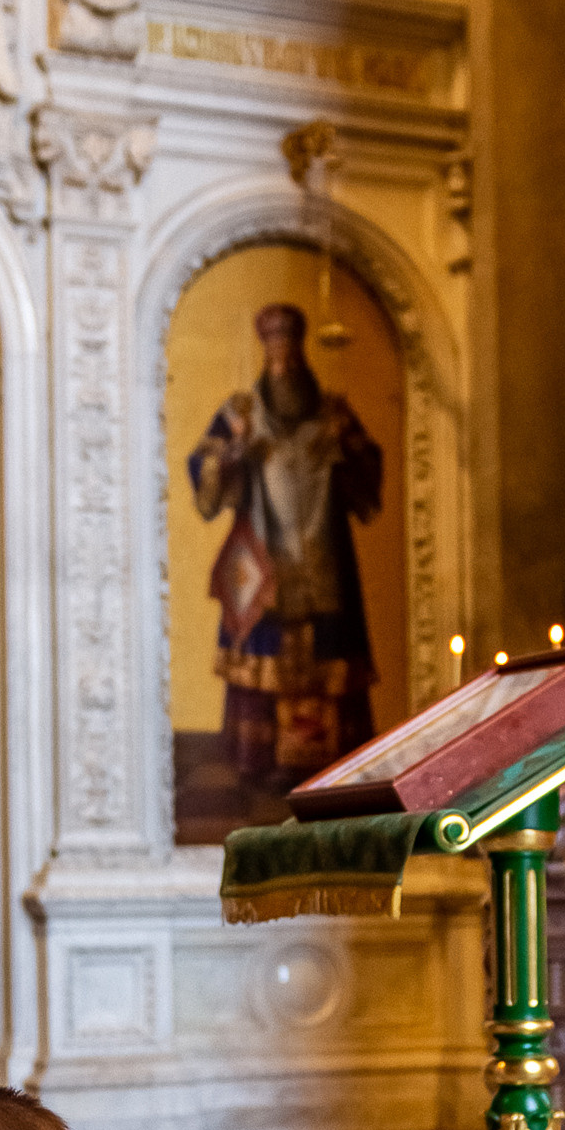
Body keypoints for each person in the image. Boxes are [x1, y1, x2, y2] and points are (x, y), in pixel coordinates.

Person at [187, 300, 381, 788]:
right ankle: (261, 761)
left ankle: (333, 765)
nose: (286, 366)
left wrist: (347, 451)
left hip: (324, 556)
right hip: (264, 556)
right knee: (265, 650)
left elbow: (369, 475)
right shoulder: (242, 414)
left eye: (292, 357)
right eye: (277, 359)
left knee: (328, 652)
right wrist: (234, 454)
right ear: (264, 358)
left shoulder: (334, 413)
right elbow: (204, 470)